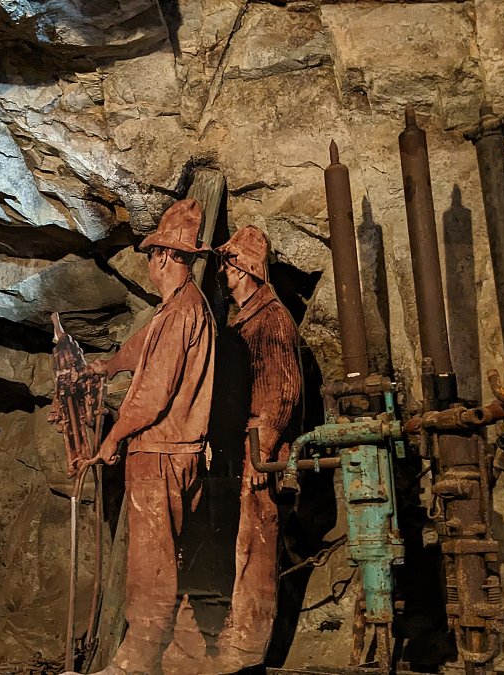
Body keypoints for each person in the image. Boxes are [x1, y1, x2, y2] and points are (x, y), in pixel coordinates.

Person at [87, 198, 216, 675]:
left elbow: (153, 395)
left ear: (163, 257)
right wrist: (108, 365)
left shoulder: (181, 313)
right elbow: (140, 349)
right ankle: (184, 661)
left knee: (151, 567)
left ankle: (135, 662)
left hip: (160, 454)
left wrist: (114, 437)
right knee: (175, 560)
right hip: (178, 453)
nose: (149, 263)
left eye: (151, 255)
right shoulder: (181, 308)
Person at [211, 225, 301, 672]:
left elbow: (283, 391)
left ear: (245, 268)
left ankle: (247, 649)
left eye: (229, 263)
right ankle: (237, 636)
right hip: (245, 448)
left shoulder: (272, 319)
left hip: (263, 452)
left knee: (257, 546)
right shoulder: (246, 319)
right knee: (242, 545)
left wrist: (260, 452)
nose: (223, 271)